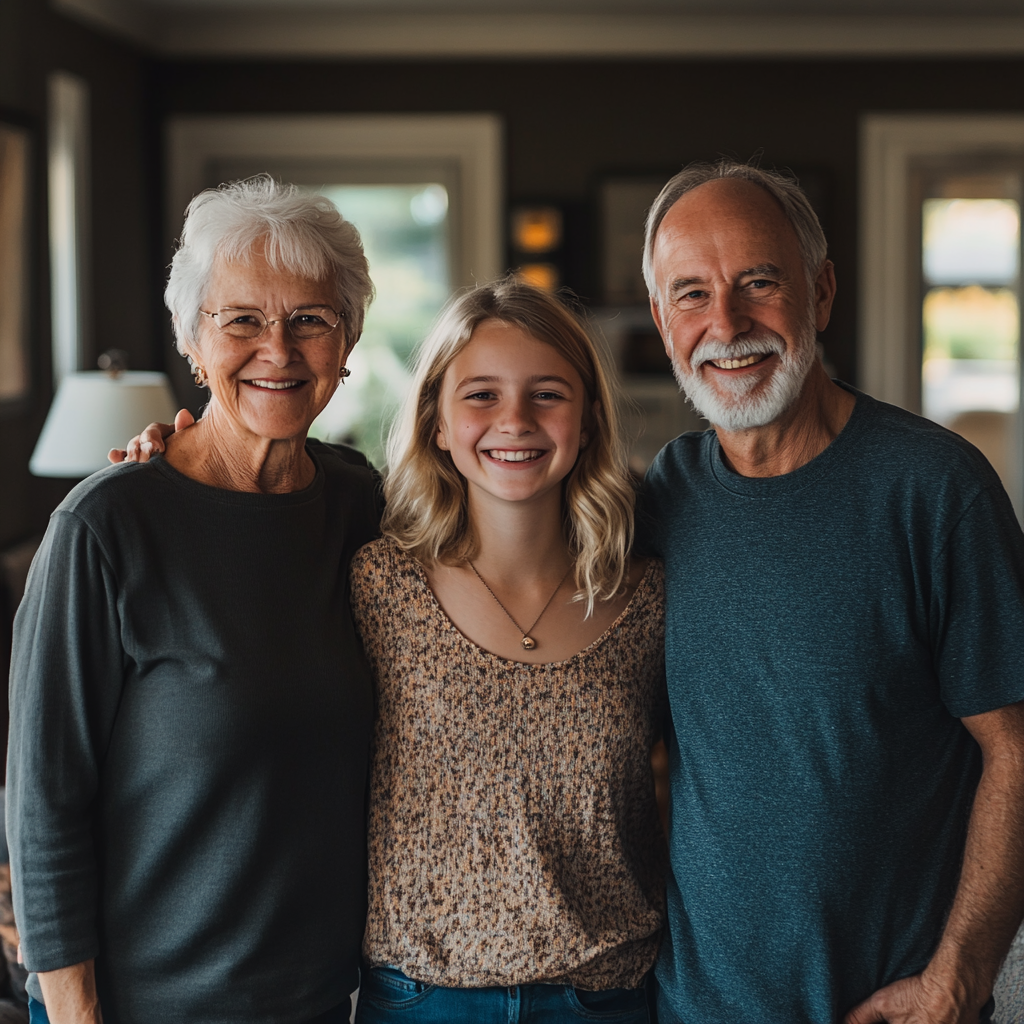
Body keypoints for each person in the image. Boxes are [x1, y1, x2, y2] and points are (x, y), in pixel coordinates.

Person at [639, 159, 1024, 1024]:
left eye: (759, 281)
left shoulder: (937, 490)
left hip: (892, 1010)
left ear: (820, 291)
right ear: (664, 323)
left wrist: (959, 978)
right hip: (691, 1008)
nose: (727, 323)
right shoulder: (664, 496)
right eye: (692, 295)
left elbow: (1018, 749)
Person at [7, 176, 380, 1024]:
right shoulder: (106, 528)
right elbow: (43, 799)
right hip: (144, 1005)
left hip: (326, 1000)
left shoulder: (365, 509)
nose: (277, 351)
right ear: (191, 340)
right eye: (241, 319)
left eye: (311, 320)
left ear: (348, 339)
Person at [348, 279, 667, 1023]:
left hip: (609, 997)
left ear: (587, 421)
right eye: (482, 395)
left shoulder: (650, 597)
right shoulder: (376, 585)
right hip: (420, 1000)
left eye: (547, 394)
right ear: (436, 423)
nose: (515, 421)